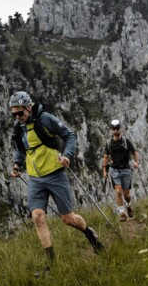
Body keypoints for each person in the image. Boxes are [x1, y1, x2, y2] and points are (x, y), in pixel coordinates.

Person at [8, 91, 104, 272]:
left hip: (55, 173)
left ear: (29, 107)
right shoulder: (18, 128)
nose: (17, 117)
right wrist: (16, 165)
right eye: (14, 114)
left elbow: (70, 135)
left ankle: (89, 233)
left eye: (20, 113)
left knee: (68, 219)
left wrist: (67, 156)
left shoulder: (45, 119)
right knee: (37, 216)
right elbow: (21, 151)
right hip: (35, 178)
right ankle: (52, 264)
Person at [102, 119, 140, 222]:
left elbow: (134, 152)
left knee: (126, 195)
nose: (115, 130)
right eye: (113, 129)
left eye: (117, 128)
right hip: (114, 170)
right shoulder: (109, 143)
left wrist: (137, 162)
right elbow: (105, 157)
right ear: (111, 130)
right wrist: (104, 171)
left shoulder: (126, 141)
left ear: (120, 129)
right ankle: (122, 213)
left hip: (126, 170)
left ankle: (128, 205)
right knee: (118, 191)